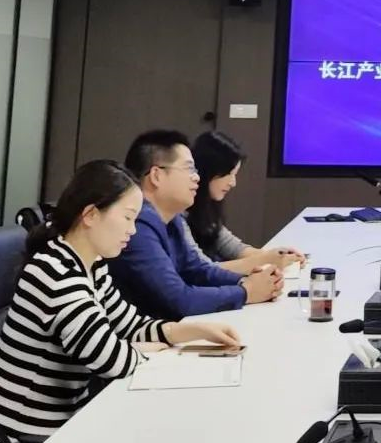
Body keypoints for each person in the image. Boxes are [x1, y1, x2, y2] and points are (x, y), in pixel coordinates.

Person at [0, 160, 241, 439]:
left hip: (64, 423)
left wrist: (193, 331)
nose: (132, 230)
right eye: (128, 218)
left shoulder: (92, 265)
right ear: (91, 215)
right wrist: (151, 350)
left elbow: (130, 326)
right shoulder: (55, 273)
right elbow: (111, 360)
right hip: (24, 434)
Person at [109, 130, 281, 320]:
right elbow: (180, 300)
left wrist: (248, 280)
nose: (197, 177)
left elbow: (199, 271)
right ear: (156, 175)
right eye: (189, 169)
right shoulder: (137, 225)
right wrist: (247, 292)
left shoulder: (171, 218)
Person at [185, 131, 304, 274]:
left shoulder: (206, 207)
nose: (233, 183)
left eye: (235, 175)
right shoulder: (179, 211)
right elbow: (201, 271)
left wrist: (278, 255)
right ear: (208, 170)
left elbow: (232, 247)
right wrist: (265, 259)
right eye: (229, 174)